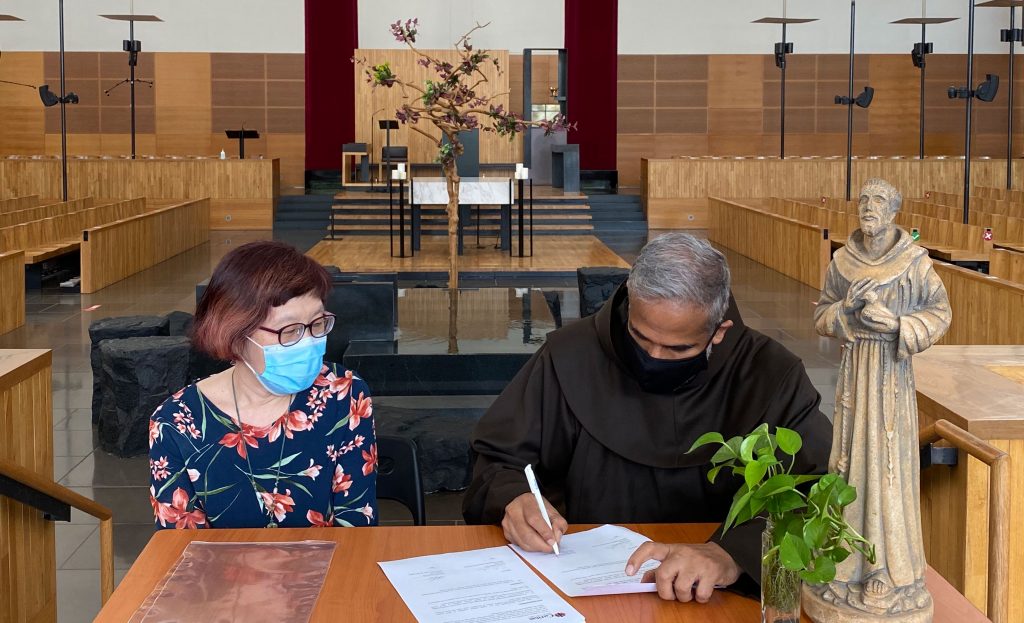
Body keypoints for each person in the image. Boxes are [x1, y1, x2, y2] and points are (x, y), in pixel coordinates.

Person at [463, 233, 832, 603]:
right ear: (630, 303)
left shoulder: (770, 374)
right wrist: (514, 498)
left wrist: (731, 554)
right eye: (640, 337)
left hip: (718, 594)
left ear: (719, 331)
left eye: (678, 348)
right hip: (581, 585)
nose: (654, 357)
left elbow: (818, 492)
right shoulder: (569, 355)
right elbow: (498, 458)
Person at [148, 241, 377, 529]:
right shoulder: (176, 423)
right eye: (290, 330)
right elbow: (182, 545)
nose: (309, 342)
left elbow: (357, 525)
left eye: (318, 324)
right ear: (235, 334)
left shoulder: (343, 394)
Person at [810, 178, 949, 614]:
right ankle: (843, 566)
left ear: (893, 211)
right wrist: (845, 310)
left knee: (888, 469)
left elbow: (940, 313)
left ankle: (888, 571)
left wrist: (897, 325)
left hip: (891, 378)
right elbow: (822, 314)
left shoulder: (914, 263)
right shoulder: (842, 261)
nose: (869, 207)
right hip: (855, 374)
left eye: (879, 201)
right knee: (849, 462)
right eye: (865, 199)